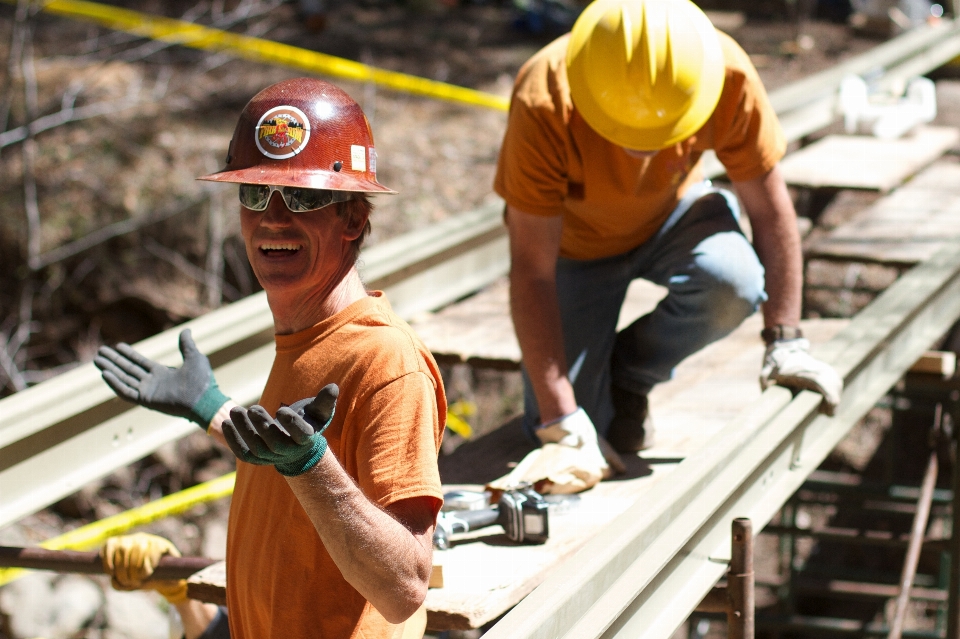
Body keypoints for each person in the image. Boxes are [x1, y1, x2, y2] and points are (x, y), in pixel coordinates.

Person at [94, 77, 445, 639]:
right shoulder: (309, 335)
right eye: (254, 194)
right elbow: (285, 446)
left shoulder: (385, 360)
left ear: (353, 218)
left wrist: (310, 466)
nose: (273, 217)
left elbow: (404, 587)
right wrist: (212, 408)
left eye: (305, 197)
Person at [494, 0, 843, 469]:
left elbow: (770, 208)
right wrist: (561, 415)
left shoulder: (726, 74)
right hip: (574, 249)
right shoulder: (545, 97)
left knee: (733, 282)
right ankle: (594, 394)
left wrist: (786, 340)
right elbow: (532, 267)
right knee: (560, 431)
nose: (644, 150)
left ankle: (630, 373)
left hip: (675, 215)